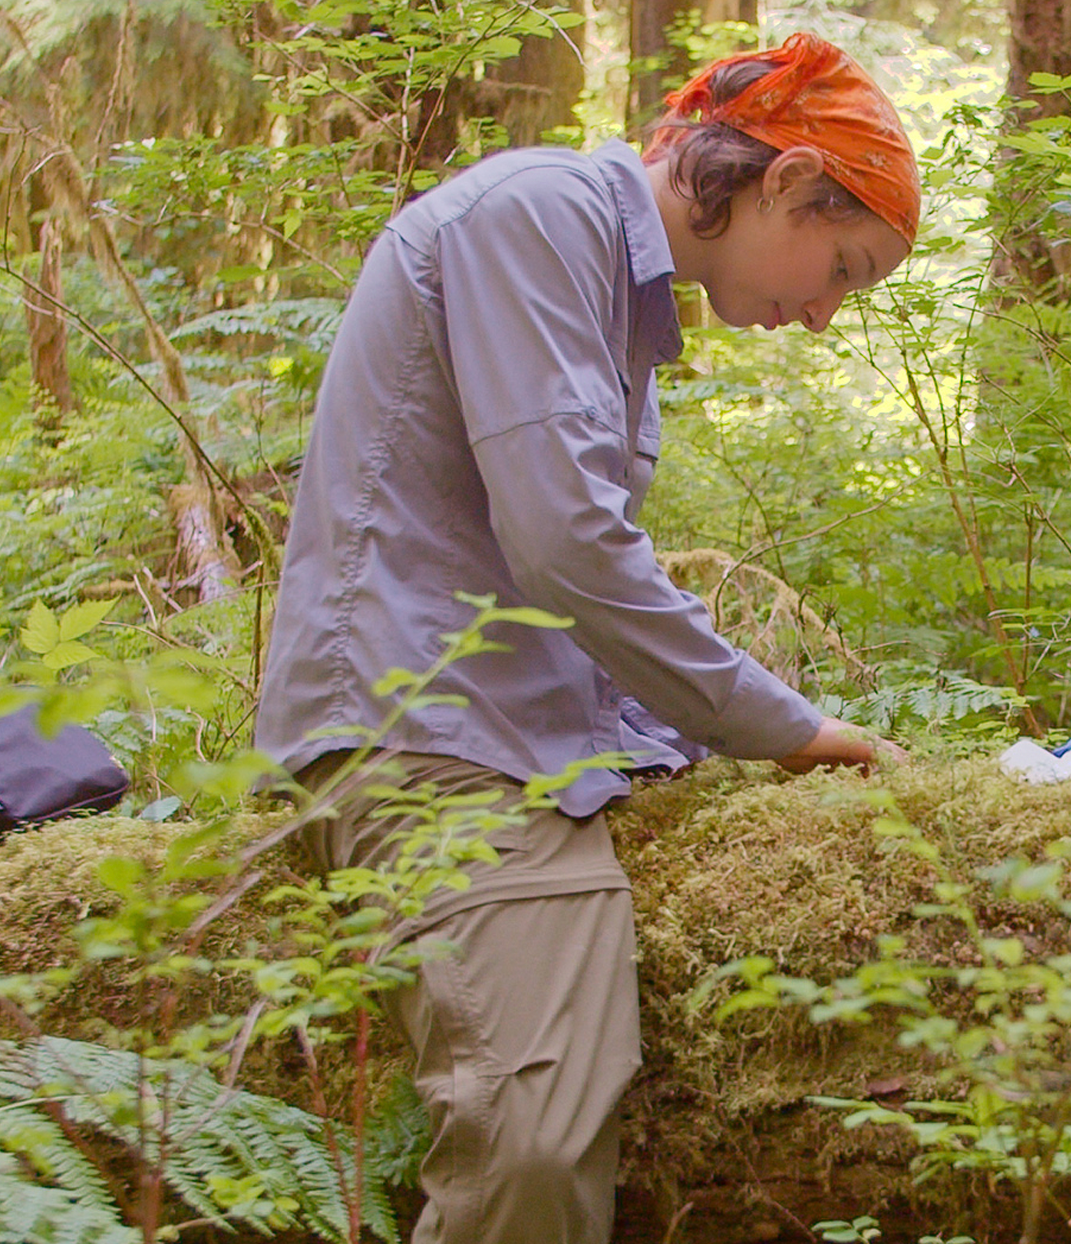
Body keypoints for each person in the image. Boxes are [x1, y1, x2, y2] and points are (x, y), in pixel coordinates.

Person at [251, 33, 915, 1244]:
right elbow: (566, 546)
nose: (823, 314)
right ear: (785, 178)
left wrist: (679, 734)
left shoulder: (614, 290)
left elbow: (555, 569)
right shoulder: (537, 216)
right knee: (536, 1139)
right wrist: (780, 724)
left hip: (505, 723)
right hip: (428, 732)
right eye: (843, 266)